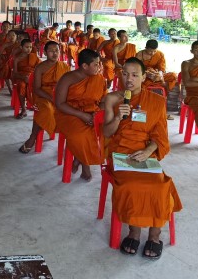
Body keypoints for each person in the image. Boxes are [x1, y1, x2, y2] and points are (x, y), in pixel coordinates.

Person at [102, 57, 182, 259]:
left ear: (144, 77)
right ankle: (134, 232)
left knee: (160, 185)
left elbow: (160, 135)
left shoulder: (156, 101)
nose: (129, 79)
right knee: (131, 185)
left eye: (135, 75)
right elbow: (107, 132)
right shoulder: (112, 98)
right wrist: (118, 117)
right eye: (125, 74)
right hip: (120, 153)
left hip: (145, 153)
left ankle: (155, 235)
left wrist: (148, 151)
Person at [55, 49, 108, 181]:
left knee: (107, 131)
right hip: (69, 113)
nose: (99, 67)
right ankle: (85, 166)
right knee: (80, 134)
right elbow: (60, 104)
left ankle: (78, 159)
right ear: (84, 66)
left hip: (92, 112)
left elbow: (103, 101)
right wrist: (82, 115)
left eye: (99, 63)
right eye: (96, 64)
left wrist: (97, 114)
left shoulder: (99, 79)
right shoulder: (67, 78)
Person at [19, 41, 70, 153]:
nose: (55, 53)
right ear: (46, 53)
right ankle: (33, 137)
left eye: (57, 51)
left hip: (60, 96)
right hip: (43, 95)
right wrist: (51, 98)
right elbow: (37, 89)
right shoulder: (40, 68)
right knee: (46, 110)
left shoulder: (64, 66)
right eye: (51, 51)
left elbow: (69, 86)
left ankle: (72, 144)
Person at [11, 39, 41, 119]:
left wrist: (33, 77)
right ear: (21, 47)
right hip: (21, 77)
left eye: (30, 47)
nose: (29, 49)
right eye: (26, 47)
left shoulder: (34, 56)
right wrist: (23, 77)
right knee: (21, 86)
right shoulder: (16, 59)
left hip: (33, 76)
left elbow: (40, 68)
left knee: (39, 86)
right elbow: (14, 74)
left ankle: (37, 107)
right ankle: (24, 109)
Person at [0, 29, 18, 95]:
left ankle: (15, 88)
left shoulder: (19, 44)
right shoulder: (5, 45)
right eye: (9, 36)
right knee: (6, 69)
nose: (11, 37)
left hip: (17, 62)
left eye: (13, 35)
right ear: (7, 37)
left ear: (16, 36)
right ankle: (10, 89)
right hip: (7, 61)